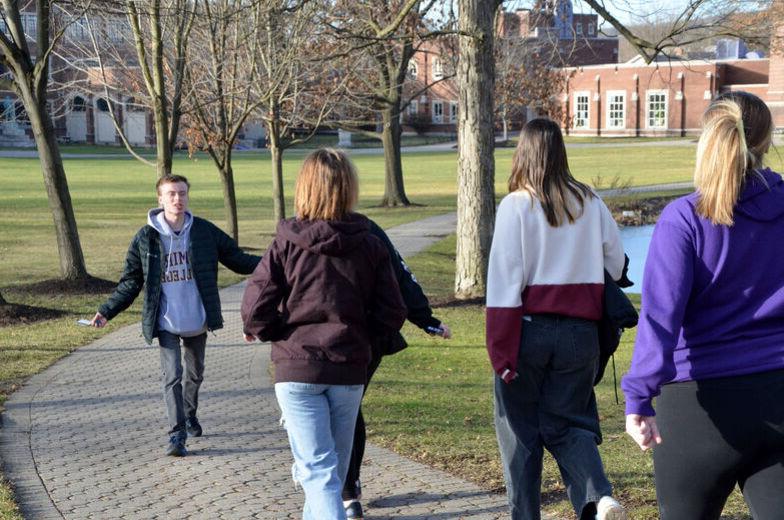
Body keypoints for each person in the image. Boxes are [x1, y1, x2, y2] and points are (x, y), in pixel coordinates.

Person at [622, 91, 784, 518]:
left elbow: (660, 318)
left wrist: (639, 398)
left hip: (697, 405)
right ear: (767, 141)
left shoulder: (684, 218)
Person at [241, 148, 407, 520]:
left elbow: (255, 309)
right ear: (348, 188)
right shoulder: (370, 244)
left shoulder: (285, 243)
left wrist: (277, 333)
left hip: (300, 370)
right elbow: (393, 311)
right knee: (324, 474)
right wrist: (364, 338)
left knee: (319, 474)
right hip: (348, 369)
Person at [486, 118, 627, 520]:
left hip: (529, 332)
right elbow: (617, 266)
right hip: (581, 335)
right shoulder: (590, 200)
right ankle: (599, 497)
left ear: (523, 153)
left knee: (519, 434)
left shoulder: (516, 206)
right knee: (571, 423)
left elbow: (503, 284)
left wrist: (501, 352)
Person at [91, 174, 261, 457]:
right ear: (159, 198)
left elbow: (237, 259)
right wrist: (107, 311)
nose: (177, 199)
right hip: (166, 320)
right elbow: (131, 281)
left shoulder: (204, 231)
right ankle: (176, 434)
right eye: (171, 194)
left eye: (182, 193)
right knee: (172, 376)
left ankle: (190, 414)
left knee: (195, 375)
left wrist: (275, 261)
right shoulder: (146, 237)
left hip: (197, 317)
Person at [341, 220, 452, 520]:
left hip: (363, 338)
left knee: (345, 407)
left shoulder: (365, 230)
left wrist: (424, 318)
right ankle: (344, 488)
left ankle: (347, 490)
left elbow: (399, 273)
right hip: (324, 342)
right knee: (344, 407)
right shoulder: (297, 233)